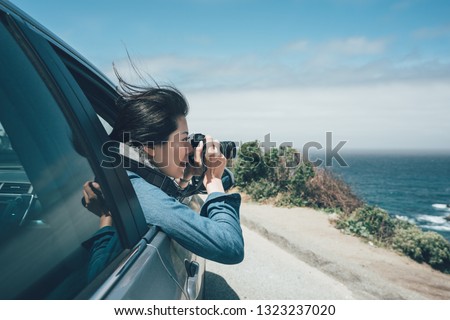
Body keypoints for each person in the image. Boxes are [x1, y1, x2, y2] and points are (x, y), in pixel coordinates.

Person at [83, 77, 244, 266]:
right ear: (150, 146)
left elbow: (162, 205)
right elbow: (230, 246)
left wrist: (186, 177)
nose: (191, 149)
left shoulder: (126, 179)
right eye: (184, 140)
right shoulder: (133, 189)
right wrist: (214, 181)